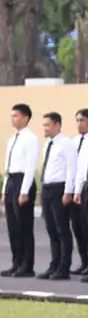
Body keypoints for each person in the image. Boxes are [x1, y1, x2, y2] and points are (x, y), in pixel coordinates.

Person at [1, 104, 40, 278]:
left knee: (24, 226)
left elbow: (30, 166)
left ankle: (27, 265)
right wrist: (4, 189)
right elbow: (7, 166)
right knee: (13, 226)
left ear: (25, 118)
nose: (12, 119)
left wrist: (24, 191)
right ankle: (16, 262)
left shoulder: (30, 138)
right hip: (11, 180)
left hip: (23, 181)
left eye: (15, 116)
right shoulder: (12, 139)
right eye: (11, 116)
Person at [37, 112, 77, 280]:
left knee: (62, 229)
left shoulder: (66, 143)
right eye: (43, 125)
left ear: (57, 125)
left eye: (48, 125)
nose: (44, 128)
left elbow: (71, 169)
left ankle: (64, 267)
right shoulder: (48, 144)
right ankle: (54, 264)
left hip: (59, 189)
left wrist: (68, 191)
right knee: (51, 229)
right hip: (47, 188)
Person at [71, 110, 88, 280]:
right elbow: (76, 169)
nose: (79, 123)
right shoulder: (74, 142)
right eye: (77, 120)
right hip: (79, 188)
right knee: (79, 227)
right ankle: (84, 262)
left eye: (82, 120)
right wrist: (75, 190)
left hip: (85, 185)